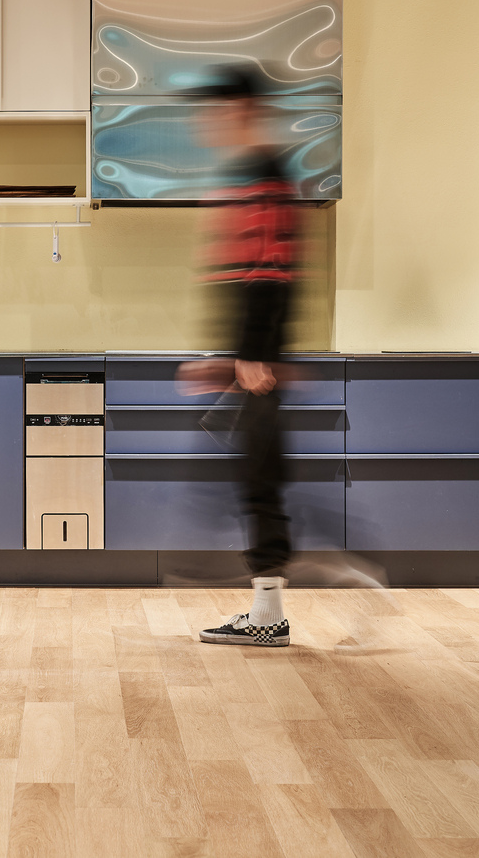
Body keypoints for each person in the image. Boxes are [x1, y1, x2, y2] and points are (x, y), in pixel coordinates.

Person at [178, 63, 302, 647]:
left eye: (217, 110)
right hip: (251, 362)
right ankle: (265, 610)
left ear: (242, 110)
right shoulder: (252, 174)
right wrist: (229, 359)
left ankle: (269, 617)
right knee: (257, 479)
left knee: (259, 481)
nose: (210, 122)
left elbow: (271, 271)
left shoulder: (266, 176)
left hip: (258, 364)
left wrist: (252, 354)